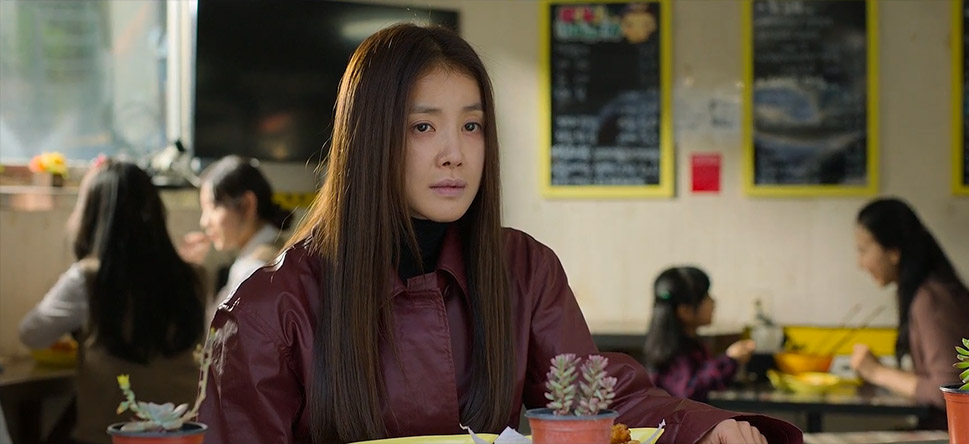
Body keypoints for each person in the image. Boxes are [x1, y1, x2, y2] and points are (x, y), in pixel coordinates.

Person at [200, 24, 801, 444]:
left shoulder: (523, 268)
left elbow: (590, 396)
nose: (455, 153)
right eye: (422, 127)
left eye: (472, 126)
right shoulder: (269, 309)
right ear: (369, 139)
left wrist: (703, 428)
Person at [18, 160, 205, 444]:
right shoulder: (194, 276)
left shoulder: (89, 278)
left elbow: (31, 334)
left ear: (92, 216)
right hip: (186, 437)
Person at [849, 197, 969, 429]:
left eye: (863, 250)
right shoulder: (930, 292)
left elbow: (949, 390)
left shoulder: (931, 299)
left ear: (893, 252)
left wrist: (876, 372)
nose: (861, 263)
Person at [178, 155, 292, 322]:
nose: (204, 222)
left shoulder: (252, 270)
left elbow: (217, 332)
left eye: (213, 207)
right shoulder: (277, 249)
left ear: (247, 204)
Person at [643, 267, 756, 402]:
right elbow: (690, 392)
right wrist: (729, 360)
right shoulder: (675, 354)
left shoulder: (678, 346)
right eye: (706, 297)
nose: (713, 302)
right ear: (685, 311)